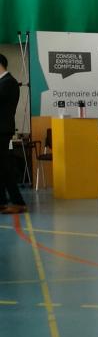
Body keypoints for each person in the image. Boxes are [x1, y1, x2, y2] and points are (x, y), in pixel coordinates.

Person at [0, 53, 27, 215]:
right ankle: (2, 201)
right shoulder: (4, 82)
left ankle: (18, 202)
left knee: (5, 166)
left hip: (2, 130)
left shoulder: (8, 82)